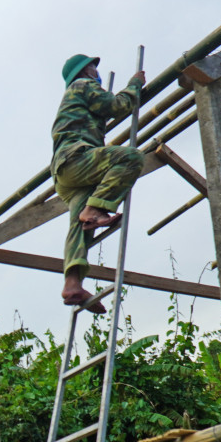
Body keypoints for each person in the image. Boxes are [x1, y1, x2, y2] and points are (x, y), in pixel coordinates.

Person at [51, 53, 145, 314]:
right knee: (131, 158)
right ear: (84, 71)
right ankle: (96, 209)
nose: (96, 71)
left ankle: (72, 284)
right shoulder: (82, 85)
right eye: (93, 66)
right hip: (76, 157)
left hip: (65, 173)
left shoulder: (73, 97)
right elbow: (115, 106)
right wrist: (134, 85)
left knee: (79, 226)